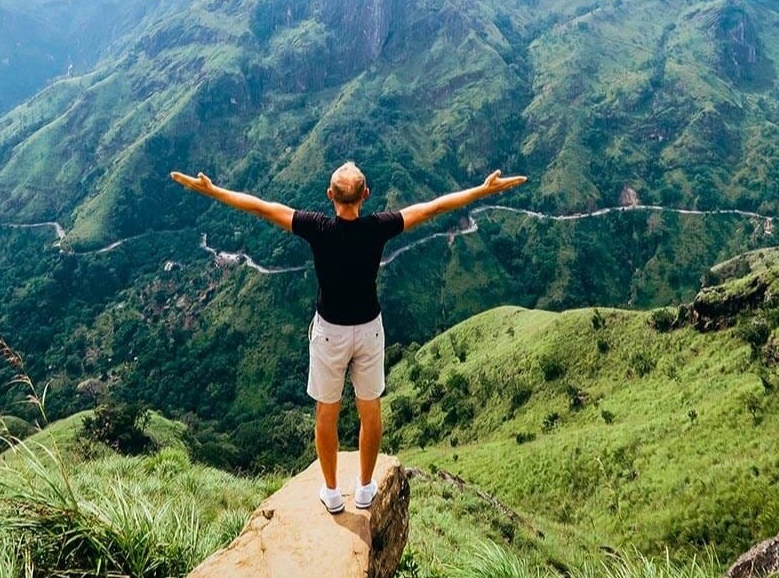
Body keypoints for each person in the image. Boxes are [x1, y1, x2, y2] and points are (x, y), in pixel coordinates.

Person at [170, 162, 527, 513]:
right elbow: (433, 207)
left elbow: (261, 207)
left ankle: (331, 491)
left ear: (330, 196)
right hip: (370, 330)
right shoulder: (378, 228)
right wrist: (482, 189)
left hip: (329, 334)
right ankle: (365, 487)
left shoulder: (317, 228)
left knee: (327, 413)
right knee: (369, 410)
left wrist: (213, 191)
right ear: (366, 195)